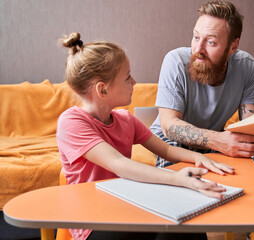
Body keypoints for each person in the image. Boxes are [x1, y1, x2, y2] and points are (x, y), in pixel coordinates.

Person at [56, 32, 234, 240]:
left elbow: (166, 149)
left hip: (128, 206)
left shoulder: (125, 119)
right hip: (95, 221)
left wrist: (201, 158)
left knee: (184, 228)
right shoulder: (72, 123)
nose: (134, 81)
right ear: (102, 89)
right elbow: (118, 163)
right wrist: (177, 179)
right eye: (127, 77)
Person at [150, 1, 254, 179]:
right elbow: (169, 126)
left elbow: (251, 121)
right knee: (178, 172)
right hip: (171, 139)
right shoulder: (175, 61)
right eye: (196, 37)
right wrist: (219, 140)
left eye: (210, 42)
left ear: (233, 46)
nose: (198, 49)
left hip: (213, 140)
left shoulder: (246, 65)